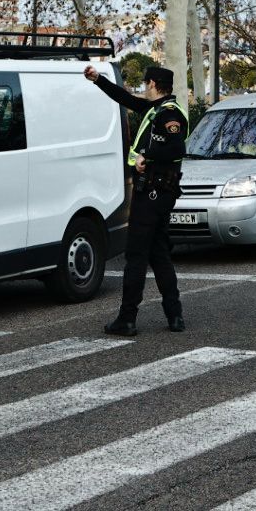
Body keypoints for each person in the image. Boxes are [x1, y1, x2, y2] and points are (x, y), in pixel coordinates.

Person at [84, 63, 188, 335]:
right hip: (156, 194)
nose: (143, 86)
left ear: (153, 83)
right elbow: (126, 99)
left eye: (145, 82)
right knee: (159, 254)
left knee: (136, 256)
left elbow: (177, 147)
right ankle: (174, 315)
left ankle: (127, 319)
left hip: (153, 194)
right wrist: (99, 80)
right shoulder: (154, 110)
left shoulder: (169, 115)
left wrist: (148, 157)